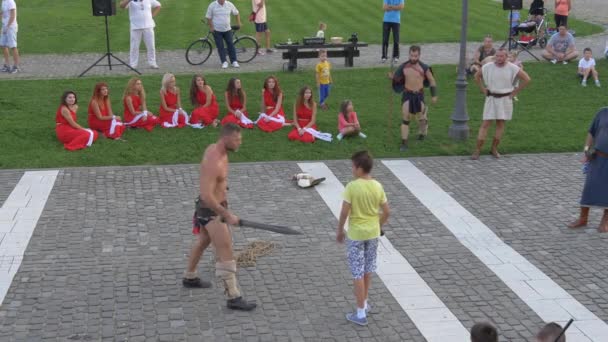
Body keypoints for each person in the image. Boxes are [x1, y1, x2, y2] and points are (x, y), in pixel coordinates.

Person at [183, 123, 257, 311]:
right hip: (211, 212)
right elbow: (207, 196)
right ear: (226, 138)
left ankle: (189, 277)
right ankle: (233, 297)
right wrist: (226, 214)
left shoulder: (217, 150)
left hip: (213, 208)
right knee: (226, 250)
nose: (240, 143)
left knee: (203, 241)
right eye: (237, 139)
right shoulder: (214, 161)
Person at [337, 150, 390, 326]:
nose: (352, 169)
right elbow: (387, 211)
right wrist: (379, 225)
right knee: (368, 270)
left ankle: (360, 313)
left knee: (357, 272)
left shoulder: (352, 186)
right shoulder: (377, 186)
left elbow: (345, 211)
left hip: (356, 235)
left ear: (359, 168)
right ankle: (365, 303)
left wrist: (339, 230)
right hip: (373, 234)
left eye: (353, 166)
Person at [472, 48, 531, 160]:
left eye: (502, 56)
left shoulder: (513, 68)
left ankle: (494, 148)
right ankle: (477, 150)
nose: (499, 58)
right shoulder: (488, 66)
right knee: (485, 124)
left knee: (500, 124)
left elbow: (527, 79)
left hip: (505, 99)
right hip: (491, 98)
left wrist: (514, 93)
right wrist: (483, 89)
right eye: (497, 56)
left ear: (506, 57)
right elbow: (477, 76)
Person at [391, 45, 438, 152]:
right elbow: (397, 78)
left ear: (419, 55)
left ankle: (422, 132)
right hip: (407, 95)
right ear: (409, 54)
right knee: (405, 118)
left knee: (421, 118)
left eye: (415, 56)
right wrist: (392, 77)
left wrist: (434, 95)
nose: (413, 58)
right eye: (412, 55)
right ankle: (404, 143)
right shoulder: (403, 67)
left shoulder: (424, 68)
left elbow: (432, 80)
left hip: (419, 96)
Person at [568, 107, 608, 233]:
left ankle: (605, 222)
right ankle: (583, 218)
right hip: (598, 157)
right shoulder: (602, 112)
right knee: (589, 187)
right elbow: (591, 132)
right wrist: (586, 150)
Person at [119, 0, 161, 69]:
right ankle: (133, 64)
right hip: (135, 26)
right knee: (134, 47)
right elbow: (121, 6)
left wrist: (151, 16)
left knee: (151, 46)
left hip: (149, 26)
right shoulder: (131, 1)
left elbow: (158, 5)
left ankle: (152, 63)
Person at [206, 0, 242, 69]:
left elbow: (236, 13)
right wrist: (211, 27)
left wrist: (239, 23)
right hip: (217, 30)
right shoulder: (212, 5)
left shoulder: (229, 4)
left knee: (230, 45)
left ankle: (234, 61)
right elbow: (208, 17)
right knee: (220, 46)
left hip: (227, 29)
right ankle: (224, 62)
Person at [1, 0, 19, 73]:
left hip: (11, 27)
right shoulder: (3, 1)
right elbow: (4, 13)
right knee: (3, 45)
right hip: (5, 26)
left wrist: (7, 27)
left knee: (13, 46)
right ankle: (7, 65)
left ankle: (15, 66)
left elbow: (13, 15)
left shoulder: (10, 2)